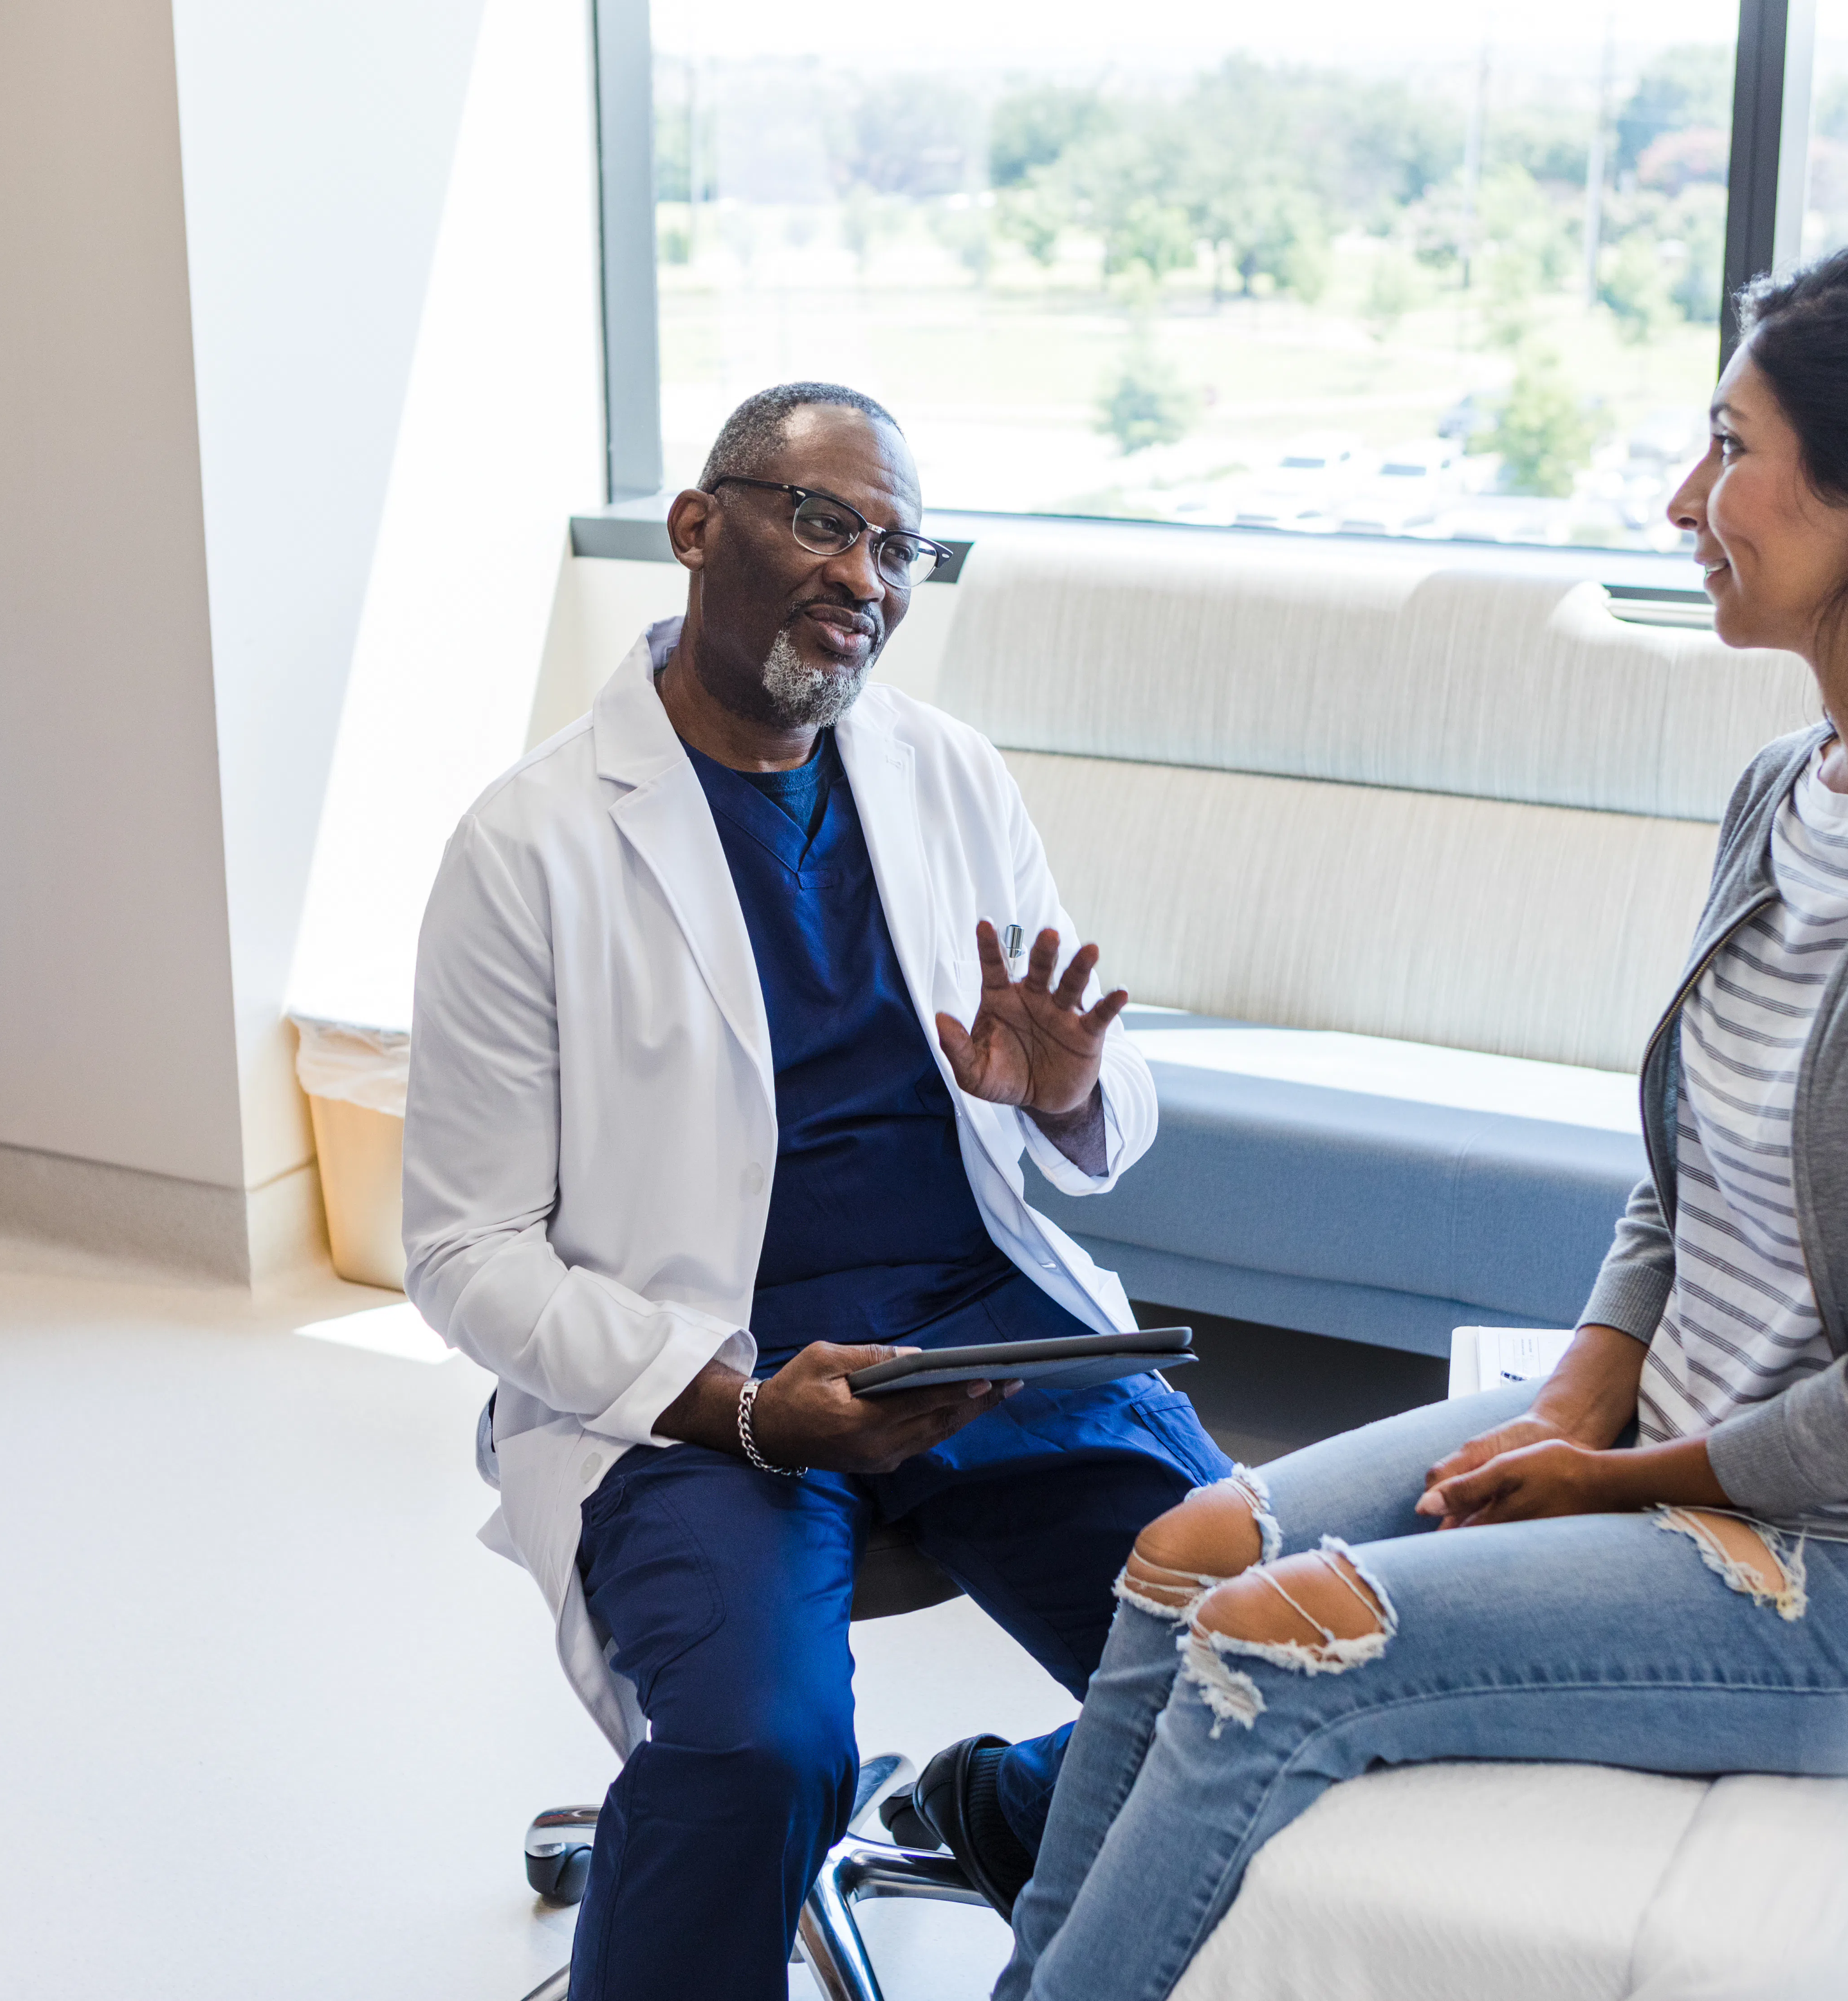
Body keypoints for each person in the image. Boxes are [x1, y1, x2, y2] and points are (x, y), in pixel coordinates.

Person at [994, 238, 1848, 2001]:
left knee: (1262, 1650)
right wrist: (1589, 1378)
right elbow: (1687, 1180)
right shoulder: (1784, 793)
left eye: (1729, 448)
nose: (1686, 496)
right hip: (1667, 1430)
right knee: (1181, 1554)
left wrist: (1614, 1478)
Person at [402, 382, 1232, 1999]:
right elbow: (459, 1249)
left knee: (1251, 1644)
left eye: (903, 547)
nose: (867, 575)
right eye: (825, 521)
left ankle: (1001, 1807)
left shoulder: (948, 775)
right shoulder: (528, 844)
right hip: (701, 1370)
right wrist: (735, 1407)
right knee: (761, 1753)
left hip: (979, 1327)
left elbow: (1104, 1101)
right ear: (699, 528)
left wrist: (1064, 1088)